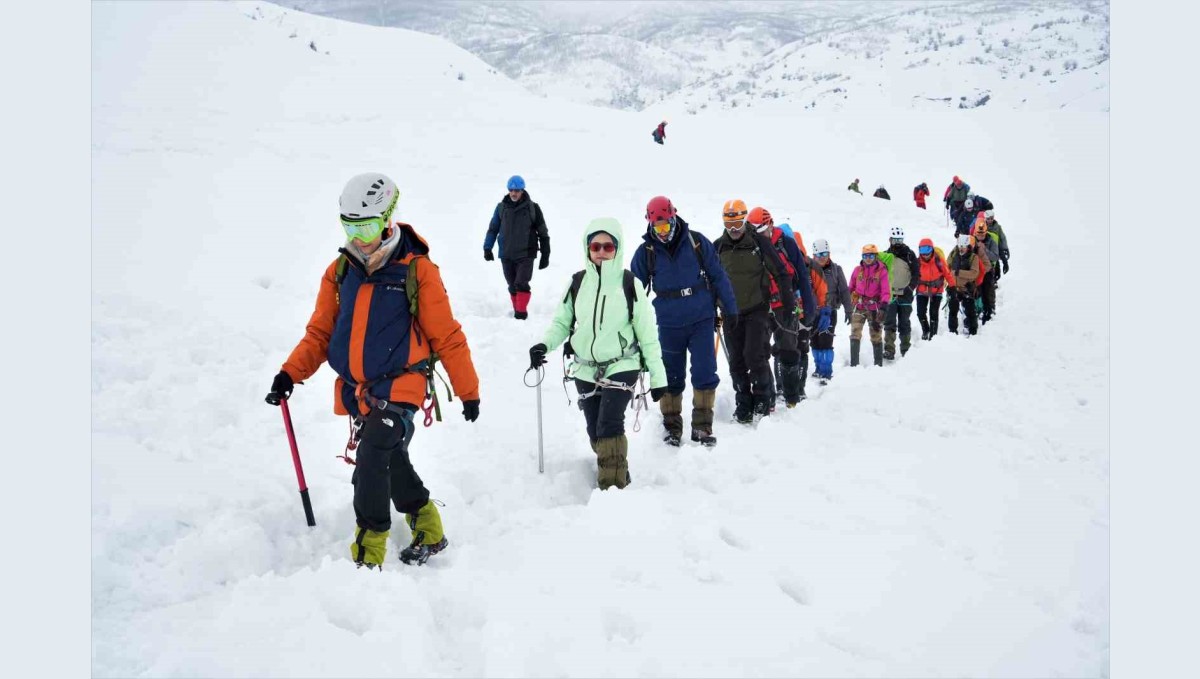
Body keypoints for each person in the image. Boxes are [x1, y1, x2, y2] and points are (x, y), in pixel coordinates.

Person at [266, 173, 481, 570]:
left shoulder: (416, 271)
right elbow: (319, 333)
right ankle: (429, 529)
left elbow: (447, 335)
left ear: (386, 219)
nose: (358, 236)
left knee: (372, 452)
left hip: (404, 384)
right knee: (389, 458)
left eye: (364, 225)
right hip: (361, 390)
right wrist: (289, 374)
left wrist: (469, 391)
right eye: (349, 225)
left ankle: (369, 550)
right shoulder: (340, 272)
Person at [529, 219, 667, 490]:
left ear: (617, 248)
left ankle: (612, 488)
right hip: (585, 367)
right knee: (595, 430)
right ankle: (617, 468)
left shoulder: (630, 284)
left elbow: (648, 334)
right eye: (595, 246)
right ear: (587, 248)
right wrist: (544, 345)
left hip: (622, 363)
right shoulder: (578, 283)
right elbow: (561, 322)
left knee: (609, 423)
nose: (601, 251)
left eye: (608, 246)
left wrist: (658, 377)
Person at [631, 196, 738, 447]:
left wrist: (730, 308)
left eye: (666, 225)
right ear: (649, 224)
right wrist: (630, 323)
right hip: (668, 324)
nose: (663, 232)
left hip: (701, 318)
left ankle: (702, 426)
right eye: (657, 227)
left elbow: (718, 276)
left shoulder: (697, 242)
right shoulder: (646, 252)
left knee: (704, 372)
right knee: (670, 376)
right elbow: (633, 290)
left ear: (674, 217)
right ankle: (671, 427)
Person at [715, 199, 797, 423]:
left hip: (757, 308)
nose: (733, 230)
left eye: (738, 224)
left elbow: (781, 272)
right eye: (729, 225)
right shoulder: (718, 247)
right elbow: (711, 280)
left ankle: (763, 398)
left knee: (754, 355)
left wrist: (789, 303)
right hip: (731, 312)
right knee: (736, 361)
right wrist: (712, 309)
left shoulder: (759, 242)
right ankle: (743, 402)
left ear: (744, 222)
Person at [747, 207, 816, 407]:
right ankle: (767, 397)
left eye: (759, 230)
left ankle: (792, 397)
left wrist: (809, 305)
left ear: (769, 224)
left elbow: (802, 274)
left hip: (785, 303)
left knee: (788, 349)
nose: (757, 235)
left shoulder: (786, 243)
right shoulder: (753, 246)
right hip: (760, 305)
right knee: (759, 352)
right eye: (753, 231)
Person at [483, 175, 551, 320]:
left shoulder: (533, 208)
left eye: (517, 190)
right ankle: (516, 312)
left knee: (521, 283)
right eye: (511, 190)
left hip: (526, 254)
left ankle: (521, 315)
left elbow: (543, 232)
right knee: (512, 284)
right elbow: (493, 229)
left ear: (522, 190)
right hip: (506, 253)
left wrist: (545, 253)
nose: (514, 193)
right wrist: (487, 248)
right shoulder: (501, 208)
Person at [810, 238, 853, 382]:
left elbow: (844, 291)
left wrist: (849, 310)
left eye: (825, 254)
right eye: (819, 254)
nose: (822, 258)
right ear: (813, 255)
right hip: (812, 312)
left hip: (830, 311)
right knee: (814, 341)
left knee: (826, 341)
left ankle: (826, 372)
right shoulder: (808, 268)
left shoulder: (836, 270)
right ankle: (818, 368)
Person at [877, 226, 920, 360]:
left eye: (900, 239)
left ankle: (905, 348)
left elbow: (916, 273)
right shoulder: (885, 255)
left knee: (904, 322)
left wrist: (910, 288)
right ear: (890, 240)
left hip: (905, 294)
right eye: (895, 240)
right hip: (890, 294)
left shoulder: (909, 254)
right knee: (889, 322)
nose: (898, 242)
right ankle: (889, 349)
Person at [848, 244, 890, 367]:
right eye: (865, 255)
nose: (868, 258)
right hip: (859, 306)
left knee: (876, 335)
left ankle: (878, 366)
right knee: (855, 333)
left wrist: (884, 306)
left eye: (871, 255)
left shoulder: (882, 271)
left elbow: (886, 291)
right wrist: (845, 301)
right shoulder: (857, 270)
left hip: (875, 308)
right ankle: (854, 365)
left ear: (876, 256)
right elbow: (850, 287)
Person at [914, 237, 953, 340]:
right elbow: (912, 277)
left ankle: (933, 335)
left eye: (927, 250)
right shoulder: (917, 263)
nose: (925, 254)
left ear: (932, 250)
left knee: (933, 313)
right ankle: (926, 330)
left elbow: (947, 274)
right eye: (922, 250)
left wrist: (953, 287)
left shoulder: (938, 261)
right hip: (922, 291)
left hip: (937, 291)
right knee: (920, 313)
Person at [946, 233, 982, 336]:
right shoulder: (953, 254)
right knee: (953, 311)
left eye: (964, 247)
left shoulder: (973, 257)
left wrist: (959, 273)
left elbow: (974, 273)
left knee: (970, 312)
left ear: (968, 247)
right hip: (953, 288)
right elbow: (946, 266)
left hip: (967, 289)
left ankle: (973, 331)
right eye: (960, 246)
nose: (961, 249)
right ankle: (952, 332)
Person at [973, 215, 1001, 324]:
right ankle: (977, 311)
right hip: (975, 271)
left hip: (988, 270)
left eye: (982, 234)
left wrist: (984, 250)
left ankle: (990, 310)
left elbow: (995, 256)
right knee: (976, 292)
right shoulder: (971, 241)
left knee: (988, 291)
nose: (980, 236)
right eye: (978, 234)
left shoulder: (991, 241)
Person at [984, 209, 1011, 280]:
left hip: (996, 246)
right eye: (988, 219)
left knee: (995, 263)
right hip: (986, 246)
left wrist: (1005, 248)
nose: (990, 220)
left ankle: (995, 279)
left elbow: (1002, 237)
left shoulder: (997, 227)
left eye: (991, 218)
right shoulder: (982, 226)